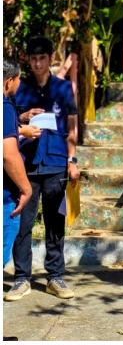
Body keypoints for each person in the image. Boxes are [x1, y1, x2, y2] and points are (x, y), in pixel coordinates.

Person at [5, 37, 79, 301]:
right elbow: (9, 120)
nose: (37, 63)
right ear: (28, 60)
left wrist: (73, 160)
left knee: (55, 222)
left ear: (50, 59)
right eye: (33, 59)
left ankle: (55, 276)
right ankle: (22, 278)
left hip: (56, 162)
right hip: (24, 165)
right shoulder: (18, 89)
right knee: (22, 223)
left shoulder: (63, 88)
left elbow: (72, 124)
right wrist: (24, 118)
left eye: (42, 58)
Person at [3, 59, 34, 268]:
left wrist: (18, 122)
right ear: (9, 81)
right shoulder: (4, 107)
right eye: (18, 78)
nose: (20, 83)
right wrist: (26, 189)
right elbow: (8, 154)